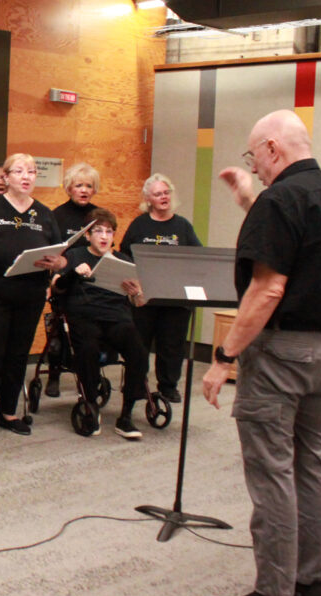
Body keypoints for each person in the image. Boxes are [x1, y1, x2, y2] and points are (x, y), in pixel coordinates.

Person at [202, 110, 321, 596]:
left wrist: (224, 357)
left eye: (255, 155)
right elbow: (304, 249)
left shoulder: (281, 200)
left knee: (272, 470)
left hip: (278, 355)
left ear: (273, 148)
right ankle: (311, 584)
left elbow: (269, 288)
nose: (256, 164)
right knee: (313, 464)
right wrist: (250, 197)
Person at [0, 153, 64, 440]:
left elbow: (59, 255)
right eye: (19, 171)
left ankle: (8, 413)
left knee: (18, 355)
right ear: (6, 177)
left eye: (31, 171)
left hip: (29, 296)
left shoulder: (44, 213)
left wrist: (58, 265)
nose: (27, 176)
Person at [51, 209, 149, 439]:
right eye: (98, 231)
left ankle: (126, 416)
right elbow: (56, 287)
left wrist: (136, 293)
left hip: (116, 318)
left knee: (139, 354)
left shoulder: (123, 260)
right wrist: (73, 275)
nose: (104, 236)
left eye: (109, 231)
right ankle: (91, 404)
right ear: (87, 235)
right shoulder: (75, 256)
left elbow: (140, 301)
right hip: (84, 317)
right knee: (88, 349)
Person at [119, 174, 202, 403]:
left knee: (172, 345)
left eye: (166, 193)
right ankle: (136, 384)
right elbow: (125, 255)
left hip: (174, 298)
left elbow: (196, 256)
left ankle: (168, 386)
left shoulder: (182, 225)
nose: (163, 197)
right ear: (148, 199)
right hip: (145, 297)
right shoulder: (139, 224)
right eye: (158, 194)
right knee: (139, 344)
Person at [44, 162, 103, 398]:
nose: (84, 190)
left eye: (89, 186)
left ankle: (91, 374)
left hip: (92, 285)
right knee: (58, 333)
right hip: (64, 285)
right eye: (79, 185)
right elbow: (50, 252)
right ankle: (54, 375)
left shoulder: (99, 216)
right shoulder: (56, 215)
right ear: (69, 188)